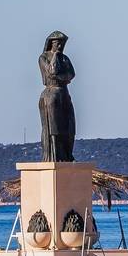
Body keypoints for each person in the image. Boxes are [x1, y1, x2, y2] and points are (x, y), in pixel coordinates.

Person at [38, 30, 76, 162]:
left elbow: (71, 74)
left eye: (62, 43)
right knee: (53, 128)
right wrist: (54, 56)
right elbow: (51, 72)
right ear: (50, 43)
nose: (60, 46)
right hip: (51, 95)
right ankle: (54, 155)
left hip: (64, 93)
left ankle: (67, 154)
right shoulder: (43, 58)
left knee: (69, 126)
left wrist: (61, 77)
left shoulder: (65, 58)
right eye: (57, 43)